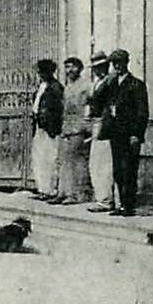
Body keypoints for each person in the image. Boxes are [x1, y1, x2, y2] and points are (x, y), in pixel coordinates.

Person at [100, 49, 149, 217]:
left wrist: (136, 134)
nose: (117, 66)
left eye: (120, 63)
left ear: (126, 63)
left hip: (129, 134)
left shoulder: (136, 85)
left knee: (129, 170)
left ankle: (129, 206)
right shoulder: (111, 84)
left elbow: (142, 113)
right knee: (118, 171)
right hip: (115, 133)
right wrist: (106, 81)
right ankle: (120, 204)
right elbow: (98, 101)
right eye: (114, 64)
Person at [55, 57, 93, 204]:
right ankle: (64, 192)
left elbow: (89, 108)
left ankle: (79, 194)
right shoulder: (68, 87)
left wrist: (86, 127)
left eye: (72, 67)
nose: (69, 70)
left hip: (79, 128)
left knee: (78, 162)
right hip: (67, 128)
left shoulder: (85, 86)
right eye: (67, 67)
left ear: (80, 68)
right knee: (65, 161)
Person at [85, 51, 117, 211]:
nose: (98, 70)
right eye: (95, 67)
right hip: (96, 123)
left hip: (104, 125)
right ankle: (101, 197)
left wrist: (103, 126)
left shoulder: (110, 82)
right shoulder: (97, 82)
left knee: (103, 164)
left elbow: (108, 107)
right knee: (95, 163)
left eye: (101, 66)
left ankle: (105, 200)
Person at [30, 59, 64, 201]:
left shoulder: (55, 87)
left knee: (50, 159)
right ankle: (43, 189)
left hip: (50, 128)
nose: (40, 74)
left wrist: (53, 126)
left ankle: (51, 190)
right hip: (40, 126)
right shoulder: (41, 87)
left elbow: (58, 110)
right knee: (40, 159)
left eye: (43, 72)